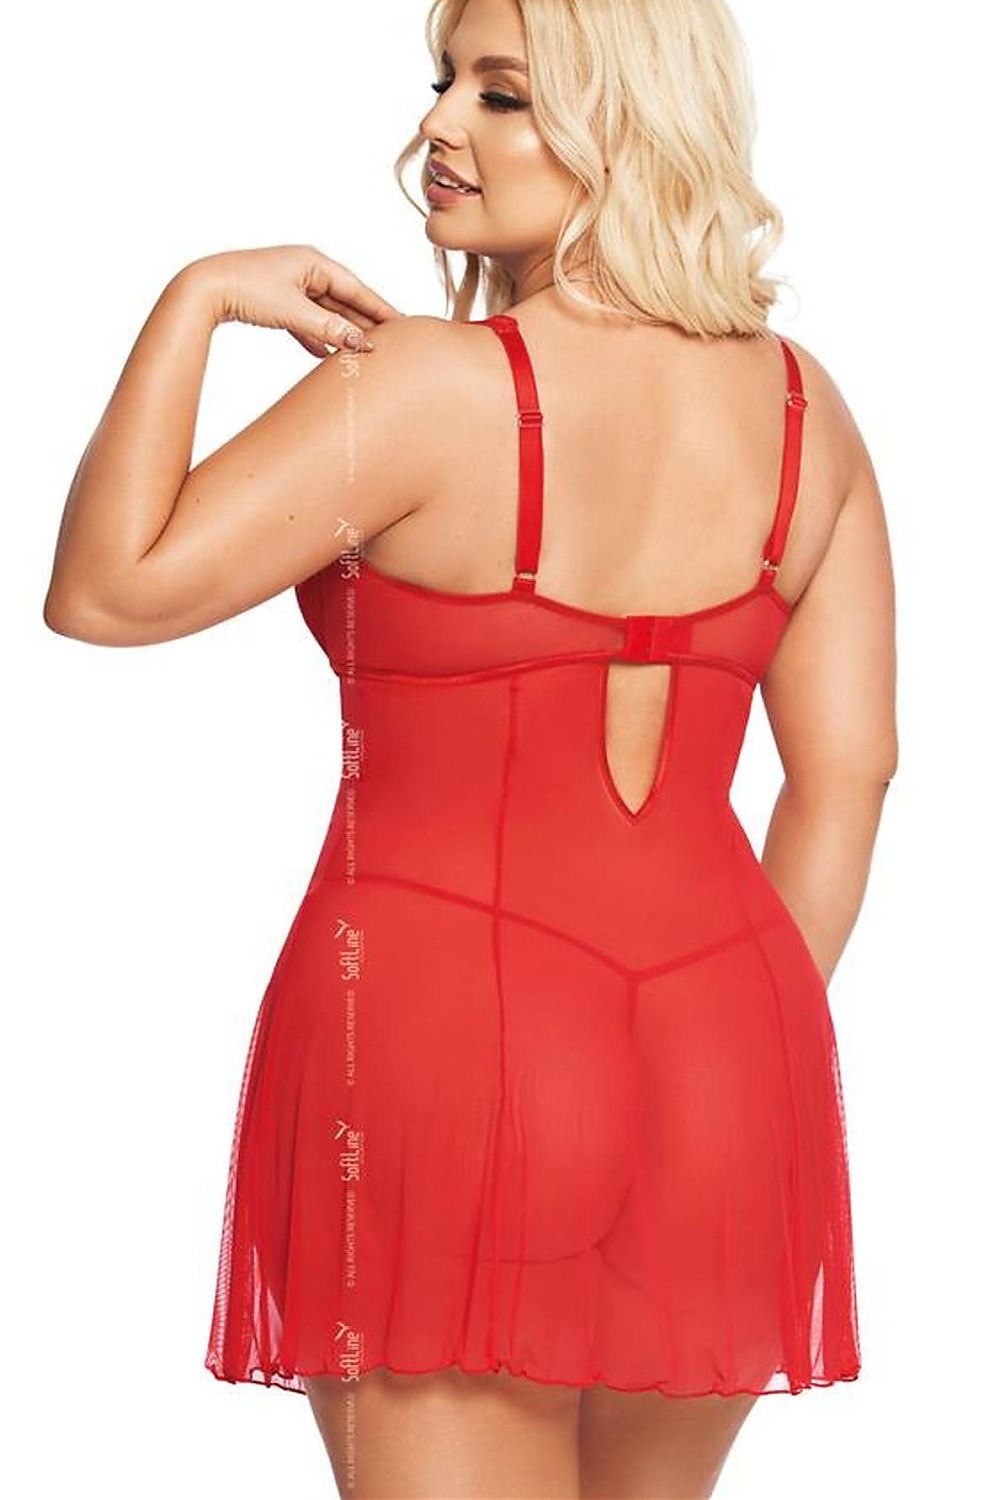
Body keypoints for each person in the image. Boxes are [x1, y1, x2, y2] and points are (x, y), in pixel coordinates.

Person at [42, 0, 897, 1494]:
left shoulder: (431, 387)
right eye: (444, 82)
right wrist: (727, 1038)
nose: (438, 124)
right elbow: (849, 774)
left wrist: (194, 299)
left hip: (447, 1046)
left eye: (502, 95)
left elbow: (109, 591)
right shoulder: (803, 409)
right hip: (724, 1056)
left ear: (629, 128)